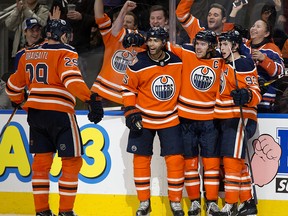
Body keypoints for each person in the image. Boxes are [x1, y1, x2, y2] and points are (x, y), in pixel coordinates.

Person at [5, 19, 103, 216]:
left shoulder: (28, 54)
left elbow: (12, 86)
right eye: (67, 33)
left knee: (41, 164)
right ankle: (65, 211)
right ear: (61, 34)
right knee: (72, 161)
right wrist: (91, 99)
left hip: (36, 116)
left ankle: (41, 211)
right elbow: (71, 79)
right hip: (60, 114)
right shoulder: (65, 51)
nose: (69, 37)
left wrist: (20, 101)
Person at [121, 27, 185, 216]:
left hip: (170, 117)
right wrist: (131, 111)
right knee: (140, 160)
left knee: (175, 160)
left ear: (164, 42)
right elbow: (127, 89)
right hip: (144, 118)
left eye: (156, 41)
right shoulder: (137, 62)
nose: (151, 44)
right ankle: (144, 202)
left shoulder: (177, 60)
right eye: (149, 40)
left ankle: (175, 202)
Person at [168, 30, 224, 216]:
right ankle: (194, 202)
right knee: (190, 164)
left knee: (211, 164)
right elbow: (160, 44)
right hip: (186, 119)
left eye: (202, 44)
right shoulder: (187, 53)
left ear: (211, 47)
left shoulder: (221, 61)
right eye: (197, 43)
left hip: (210, 120)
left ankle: (211, 202)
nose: (198, 47)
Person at [216, 29, 262, 216]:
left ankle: (230, 204)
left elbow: (256, 93)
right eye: (221, 44)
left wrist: (247, 94)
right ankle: (247, 202)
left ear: (235, 46)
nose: (222, 47)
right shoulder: (223, 63)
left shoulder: (243, 63)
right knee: (235, 162)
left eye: (226, 44)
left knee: (232, 161)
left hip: (239, 118)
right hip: (226, 118)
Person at [91, 0, 145, 106]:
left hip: (126, 97)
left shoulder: (141, 41)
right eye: (123, 20)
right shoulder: (110, 36)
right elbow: (99, 16)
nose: (124, 23)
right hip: (103, 93)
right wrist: (124, 9)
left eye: (128, 22)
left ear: (135, 26)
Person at [245, 19, 284, 112]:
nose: (254, 28)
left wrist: (264, 59)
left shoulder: (272, 49)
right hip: (244, 98)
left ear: (266, 33)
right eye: (253, 25)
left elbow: (280, 72)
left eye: (258, 26)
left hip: (265, 101)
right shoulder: (244, 46)